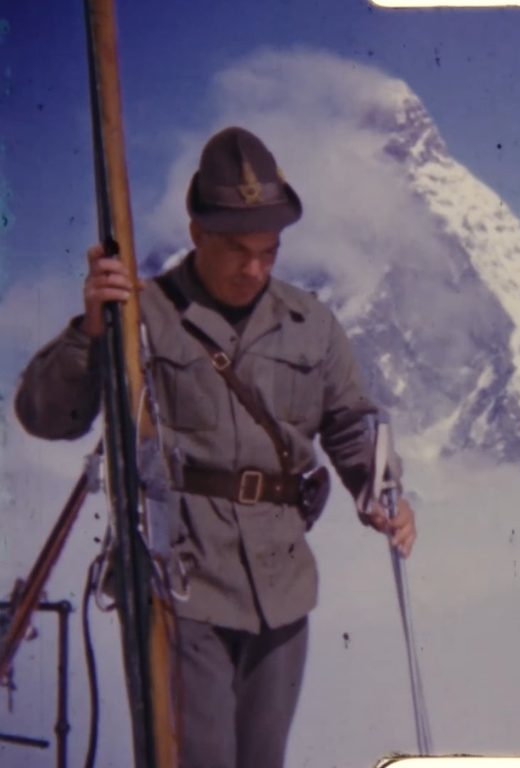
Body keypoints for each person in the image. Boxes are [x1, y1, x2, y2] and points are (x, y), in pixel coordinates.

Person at [15, 126, 417, 767]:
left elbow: (350, 423)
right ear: (197, 231)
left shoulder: (310, 323)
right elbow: (44, 416)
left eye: (269, 251)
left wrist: (382, 493)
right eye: (237, 249)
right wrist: (91, 332)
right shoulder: (140, 313)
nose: (254, 269)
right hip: (180, 584)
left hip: (282, 589)